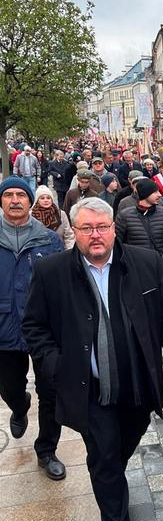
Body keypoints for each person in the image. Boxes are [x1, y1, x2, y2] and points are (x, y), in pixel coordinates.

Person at [22, 196, 163, 521]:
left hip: (137, 382)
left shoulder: (146, 264)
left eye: (102, 227)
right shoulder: (51, 272)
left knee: (119, 448)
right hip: (89, 388)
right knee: (104, 455)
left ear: (114, 228)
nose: (95, 236)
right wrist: (56, 366)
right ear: (75, 231)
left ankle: (111, 475)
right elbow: (34, 326)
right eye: (86, 228)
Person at [0, 177, 65, 481]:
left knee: (50, 391)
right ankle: (19, 404)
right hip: (4, 330)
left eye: (20, 195)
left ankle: (47, 450)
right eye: (8, 195)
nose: (15, 200)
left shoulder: (48, 240)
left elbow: (62, 286)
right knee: (9, 387)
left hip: (43, 330)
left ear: (30, 201)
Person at [115, 178, 163, 272]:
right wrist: (126, 260)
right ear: (145, 193)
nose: (159, 195)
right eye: (155, 192)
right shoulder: (125, 216)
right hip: (136, 269)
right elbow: (117, 243)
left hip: (160, 267)